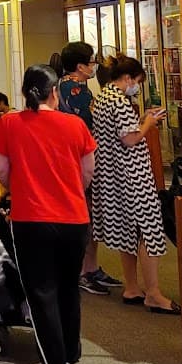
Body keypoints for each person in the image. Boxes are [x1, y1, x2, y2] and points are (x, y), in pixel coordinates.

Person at [0, 64, 97, 364]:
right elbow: (87, 173)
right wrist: (65, 190)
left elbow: (2, 173)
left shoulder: (9, 124)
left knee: (41, 294)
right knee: (68, 289)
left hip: (31, 218)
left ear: (24, 93)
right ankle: (69, 356)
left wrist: (27, 186)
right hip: (75, 220)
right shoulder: (76, 125)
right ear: (55, 93)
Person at [92, 55, 179, 314]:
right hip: (133, 176)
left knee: (126, 232)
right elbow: (130, 140)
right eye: (137, 81)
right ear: (128, 78)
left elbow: (119, 133)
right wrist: (149, 124)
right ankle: (153, 292)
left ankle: (132, 287)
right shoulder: (119, 101)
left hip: (111, 176)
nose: (136, 87)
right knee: (149, 230)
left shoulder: (103, 97)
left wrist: (141, 119)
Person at [52, 42, 119, 296]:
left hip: (67, 158)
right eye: (92, 62)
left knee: (86, 214)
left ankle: (88, 268)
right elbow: (88, 127)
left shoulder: (61, 86)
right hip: (78, 160)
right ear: (80, 66)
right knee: (83, 215)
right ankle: (82, 270)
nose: (95, 66)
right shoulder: (77, 90)